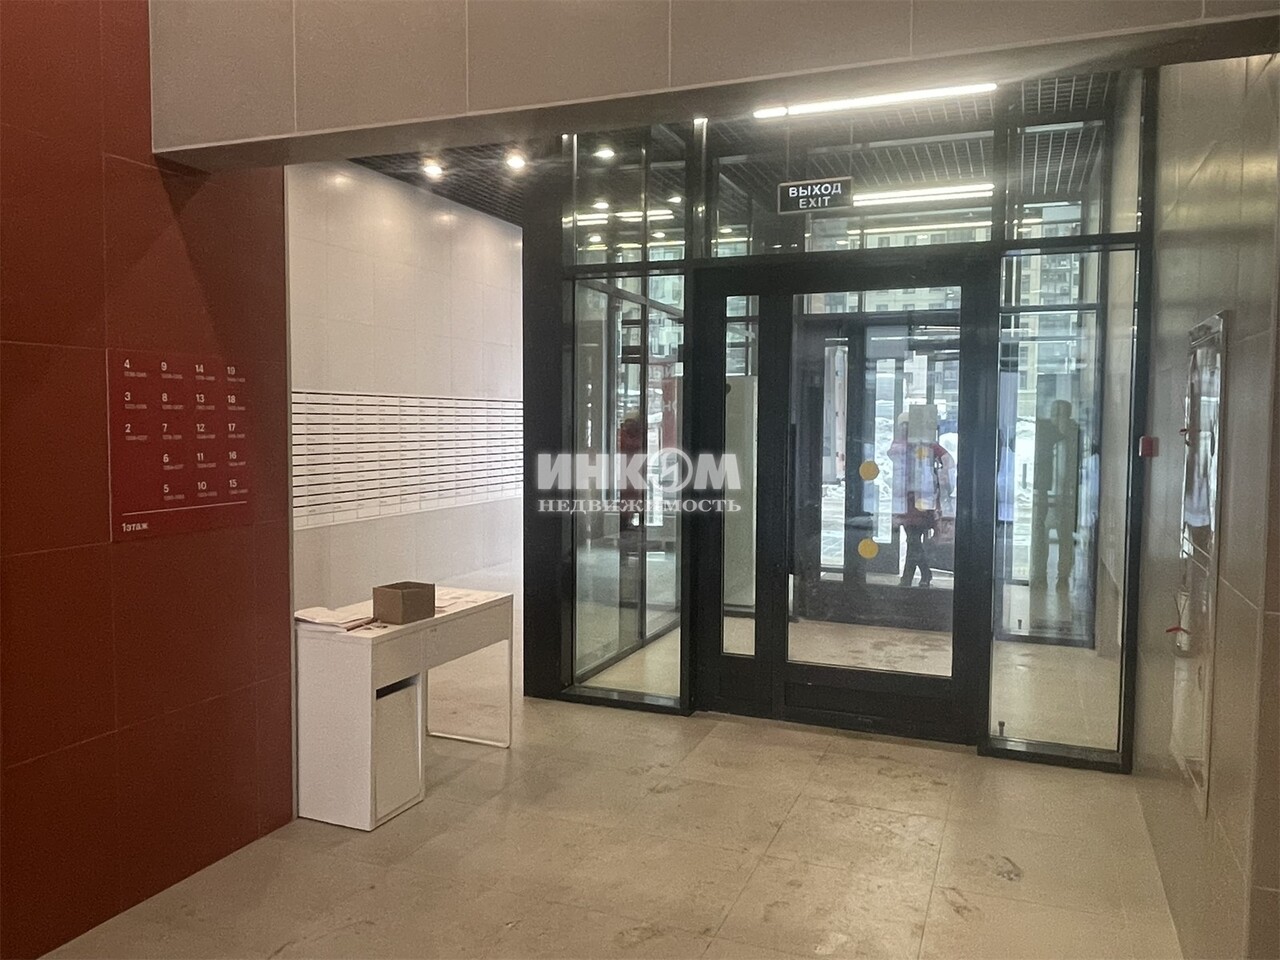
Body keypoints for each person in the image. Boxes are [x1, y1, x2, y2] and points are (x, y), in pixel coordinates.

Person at [889, 410, 955, 587]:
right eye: (902, 426)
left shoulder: (925, 444)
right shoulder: (904, 445)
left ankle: (911, 578)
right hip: (907, 501)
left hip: (920, 501)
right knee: (913, 540)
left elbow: (948, 459)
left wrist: (941, 477)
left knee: (912, 539)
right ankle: (921, 575)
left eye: (907, 425)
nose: (905, 429)